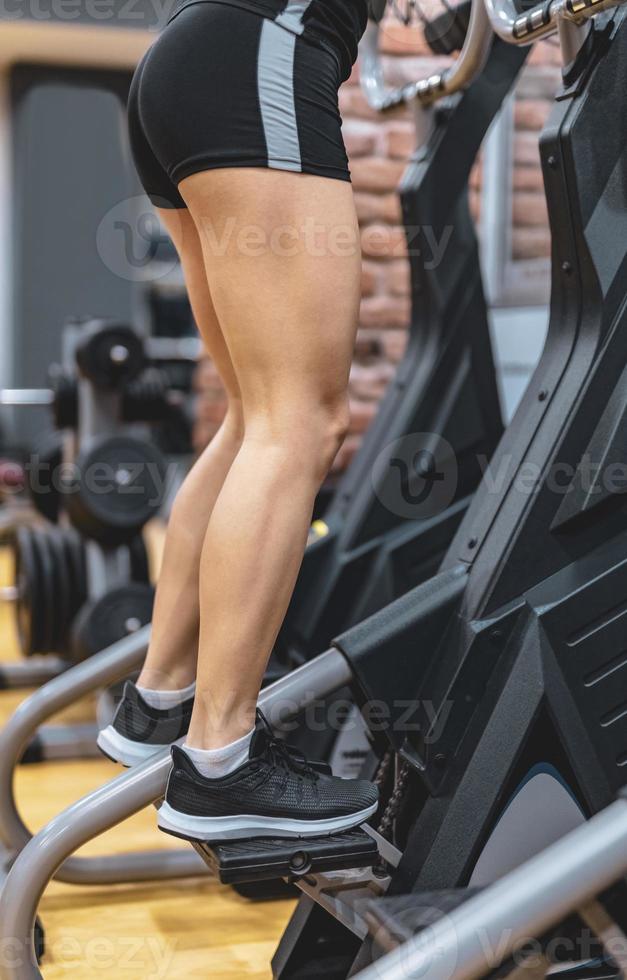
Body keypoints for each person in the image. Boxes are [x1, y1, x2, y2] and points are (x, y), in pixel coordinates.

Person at [98, 0, 379, 842]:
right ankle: (221, 762)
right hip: (262, 49)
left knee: (256, 416)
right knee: (301, 421)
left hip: (191, 62)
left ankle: (160, 701)